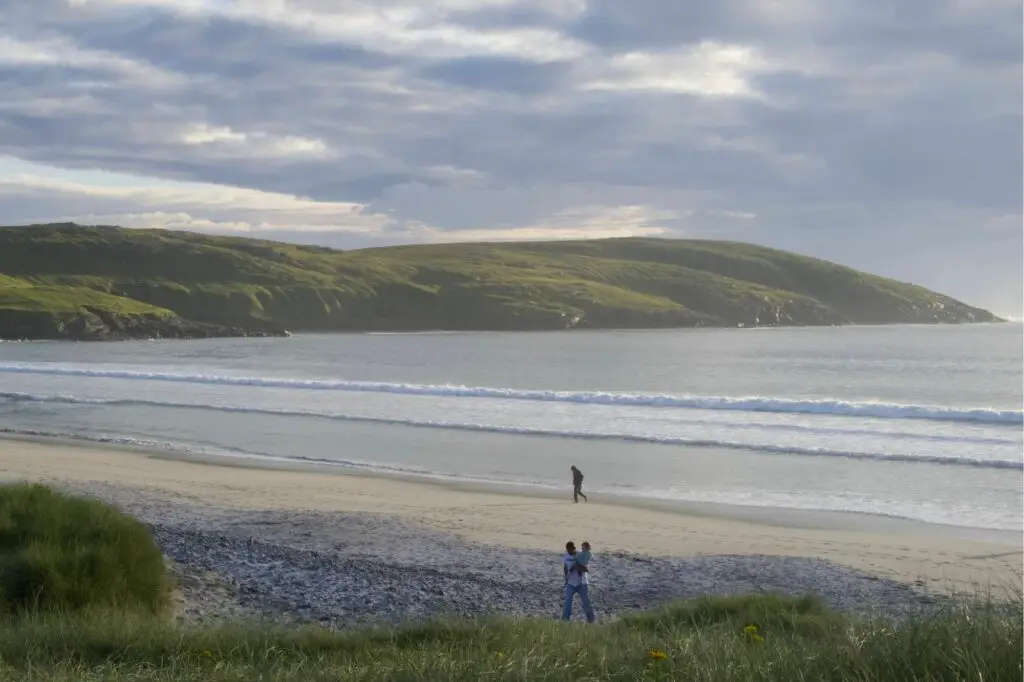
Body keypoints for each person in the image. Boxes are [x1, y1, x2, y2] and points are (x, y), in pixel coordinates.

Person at [561, 541, 595, 622]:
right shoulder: (565, 556)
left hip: (582, 583)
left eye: (571, 550)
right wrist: (566, 578)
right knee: (567, 603)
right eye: (567, 550)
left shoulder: (580, 555)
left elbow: (586, 569)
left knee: (586, 602)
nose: (569, 552)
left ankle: (591, 620)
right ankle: (565, 620)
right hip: (570, 584)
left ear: (574, 549)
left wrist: (577, 567)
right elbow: (565, 568)